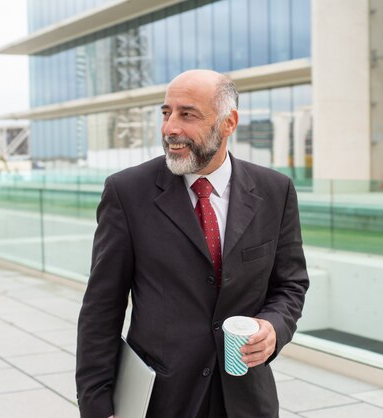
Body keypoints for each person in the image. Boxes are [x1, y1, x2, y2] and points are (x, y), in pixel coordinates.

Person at [76, 69, 310, 418]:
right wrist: (97, 403)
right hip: (162, 399)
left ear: (228, 123)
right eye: (166, 113)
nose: (171, 128)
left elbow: (290, 284)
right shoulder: (127, 192)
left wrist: (274, 328)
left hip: (247, 398)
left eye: (187, 114)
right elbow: (101, 306)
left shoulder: (276, 190)